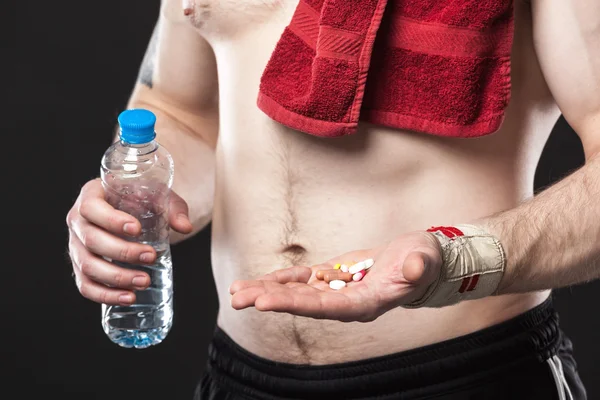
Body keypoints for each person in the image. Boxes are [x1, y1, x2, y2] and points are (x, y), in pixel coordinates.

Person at [65, 0, 599, 398]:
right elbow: (182, 112)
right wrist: (139, 201)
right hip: (239, 377)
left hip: (469, 374)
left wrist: (457, 258)